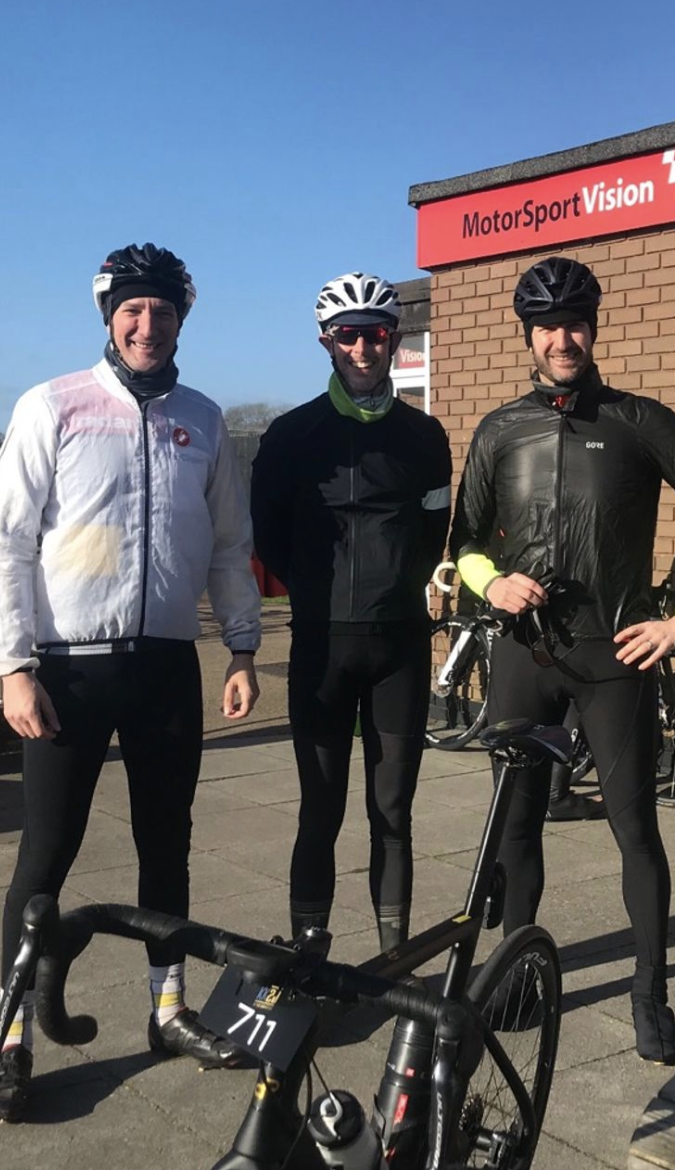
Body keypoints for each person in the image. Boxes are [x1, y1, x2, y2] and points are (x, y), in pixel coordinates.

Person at [0, 243, 262, 1121]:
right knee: (46, 856)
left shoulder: (204, 420)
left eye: (163, 312)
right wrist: (14, 668)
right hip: (67, 671)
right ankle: (12, 1039)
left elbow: (225, 546)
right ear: (109, 316)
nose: (147, 325)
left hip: (166, 669)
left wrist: (243, 648)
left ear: (182, 320)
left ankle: (167, 1009)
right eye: (131, 311)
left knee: (165, 844)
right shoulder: (53, 404)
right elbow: (5, 542)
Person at [449, 255, 675, 1064]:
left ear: (594, 326)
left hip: (614, 655)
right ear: (528, 334)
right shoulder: (499, 429)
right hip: (524, 656)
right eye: (547, 325)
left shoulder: (639, 420)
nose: (562, 338)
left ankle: (650, 995)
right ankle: (518, 972)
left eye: (575, 322)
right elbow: (465, 544)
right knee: (515, 827)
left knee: (635, 832)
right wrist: (493, 582)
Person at [251, 272, 452, 952]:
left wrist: (397, 584)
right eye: (349, 336)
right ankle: (310, 949)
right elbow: (269, 536)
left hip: (399, 646)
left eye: (377, 335)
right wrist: (317, 589)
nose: (364, 349)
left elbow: (432, 530)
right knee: (322, 810)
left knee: (393, 811)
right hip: (321, 648)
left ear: (394, 340)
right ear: (326, 342)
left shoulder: (424, 436)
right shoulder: (289, 435)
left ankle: (393, 956)